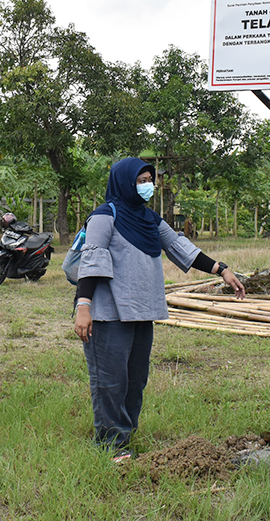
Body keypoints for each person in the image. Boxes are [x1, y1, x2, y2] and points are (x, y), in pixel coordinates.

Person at [72, 157, 246, 461]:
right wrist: (83, 306)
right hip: (108, 313)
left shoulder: (150, 219)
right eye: (140, 180)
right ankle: (111, 446)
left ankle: (125, 436)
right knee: (110, 382)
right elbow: (92, 261)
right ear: (124, 181)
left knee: (135, 380)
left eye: (149, 180)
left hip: (141, 311)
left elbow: (181, 247)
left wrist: (222, 270)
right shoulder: (104, 216)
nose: (147, 186)